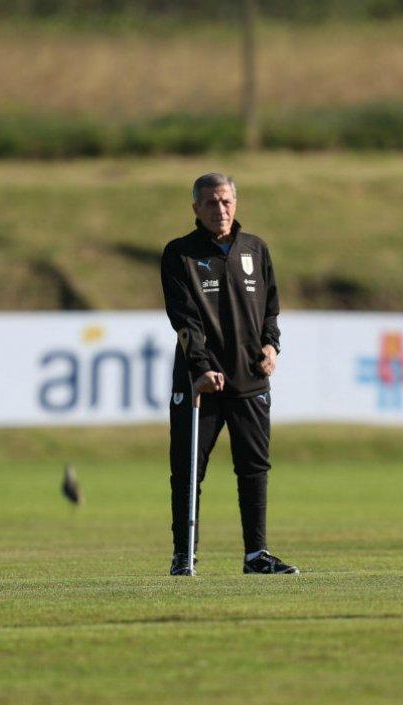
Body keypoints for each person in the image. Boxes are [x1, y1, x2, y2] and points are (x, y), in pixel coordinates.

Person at [160, 172, 297, 577]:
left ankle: (257, 555)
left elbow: (270, 309)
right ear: (196, 210)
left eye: (225, 202)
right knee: (188, 469)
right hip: (201, 384)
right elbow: (183, 318)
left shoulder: (256, 248)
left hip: (250, 380)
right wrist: (200, 368)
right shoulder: (180, 253)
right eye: (210, 203)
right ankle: (184, 556)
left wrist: (271, 346)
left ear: (235, 204)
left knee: (254, 468)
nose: (220, 210)